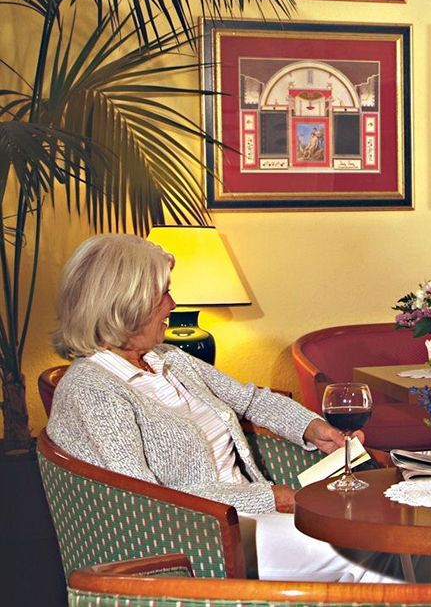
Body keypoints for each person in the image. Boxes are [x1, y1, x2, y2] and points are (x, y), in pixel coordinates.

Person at [46, 234, 402, 583]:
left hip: (246, 516)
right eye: (163, 294)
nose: (172, 304)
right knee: (363, 548)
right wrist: (271, 497)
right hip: (195, 536)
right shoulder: (92, 389)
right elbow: (147, 496)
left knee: (384, 539)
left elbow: (250, 399)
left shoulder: (168, 359)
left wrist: (311, 428)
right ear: (125, 304)